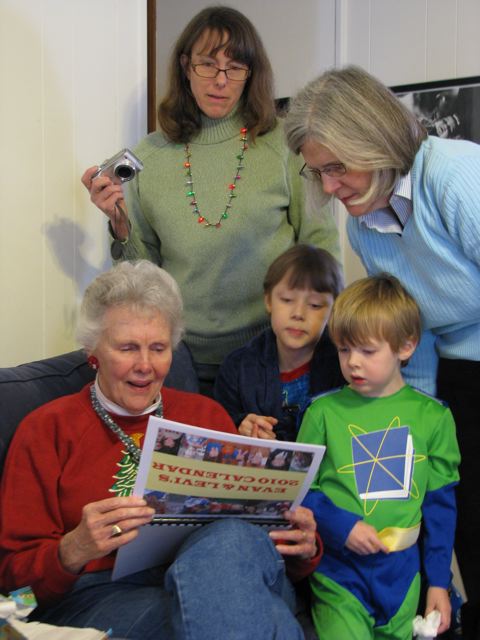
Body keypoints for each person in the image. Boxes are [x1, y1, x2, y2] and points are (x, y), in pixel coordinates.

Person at [0, 260, 321, 640]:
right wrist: (73, 548)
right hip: (103, 593)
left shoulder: (205, 414)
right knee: (242, 615)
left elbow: (257, 550)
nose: (145, 366)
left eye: (158, 348)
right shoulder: (47, 429)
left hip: (224, 567)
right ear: (93, 351)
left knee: (229, 547)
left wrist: (303, 548)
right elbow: (14, 583)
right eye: (127, 348)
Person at [284, 64, 480, 639]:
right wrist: (406, 424)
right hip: (453, 371)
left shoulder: (455, 176)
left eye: (337, 167)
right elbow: (406, 335)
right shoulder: (365, 226)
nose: (328, 187)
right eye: (317, 171)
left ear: (372, 137)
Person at [81, 6, 340, 397]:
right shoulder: (149, 156)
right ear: (186, 67)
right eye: (207, 65)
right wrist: (120, 224)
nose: (220, 81)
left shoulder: (285, 146)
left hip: (274, 357)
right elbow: (144, 274)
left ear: (251, 73)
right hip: (179, 360)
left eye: (235, 67)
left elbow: (322, 246)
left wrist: (321, 332)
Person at [296, 274, 460, 640]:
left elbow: (440, 510)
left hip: (403, 579)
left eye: (367, 351)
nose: (353, 363)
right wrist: (342, 527)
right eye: (343, 349)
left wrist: (438, 583)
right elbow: (299, 490)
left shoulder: (434, 417)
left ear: (406, 346)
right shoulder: (321, 413)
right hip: (338, 574)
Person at [215, 244, 344, 441]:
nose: (298, 314)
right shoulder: (237, 367)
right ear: (268, 301)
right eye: (287, 300)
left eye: (315, 305)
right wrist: (240, 424)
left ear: (333, 310)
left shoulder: (344, 366)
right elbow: (218, 426)